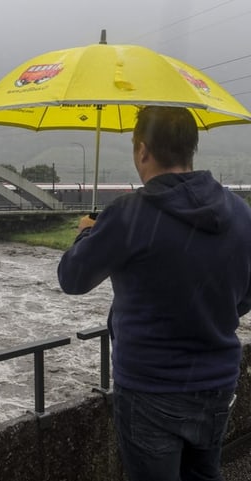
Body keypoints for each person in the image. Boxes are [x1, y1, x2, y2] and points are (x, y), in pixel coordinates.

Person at [57, 106, 251, 481]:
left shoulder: (130, 214)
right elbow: (246, 294)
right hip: (218, 382)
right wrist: (209, 313)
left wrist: (85, 232)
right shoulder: (239, 212)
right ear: (191, 148)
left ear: (142, 150)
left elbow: (72, 278)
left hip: (150, 388)